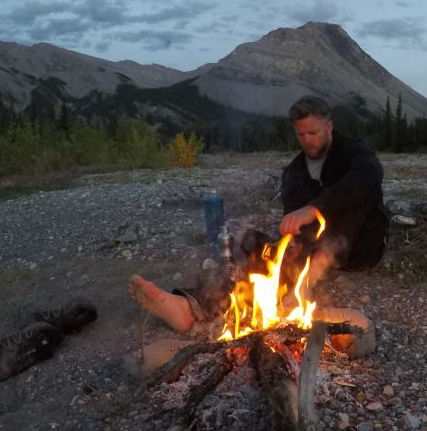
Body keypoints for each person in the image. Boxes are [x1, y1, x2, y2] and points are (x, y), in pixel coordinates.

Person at [129, 95, 389, 333]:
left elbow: (370, 176)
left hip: (361, 249)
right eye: (301, 134)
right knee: (257, 246)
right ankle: (190, 306)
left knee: (351, 196)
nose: (309, 140)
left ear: (329, 127)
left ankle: (305, 283)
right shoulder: (295, 171)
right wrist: (282, 250)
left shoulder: (353, 152)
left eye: (314, 132)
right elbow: (297, 231)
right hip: (314, 251)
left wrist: (315, 209)